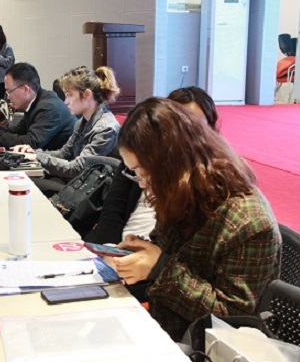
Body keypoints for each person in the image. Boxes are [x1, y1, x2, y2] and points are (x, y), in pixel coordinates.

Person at [110, 97, 280, 341]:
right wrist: (142, 252)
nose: (143, 184)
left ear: (172, 164)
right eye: (136, 174)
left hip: (204, 350)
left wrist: (159, 268)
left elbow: (232, 318)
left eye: (144, 173)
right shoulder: (182, 191)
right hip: (166, 329)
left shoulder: (248, 222)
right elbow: (170, 251)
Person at [85, 86, 220, 245]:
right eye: (177, 127)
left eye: (193, 127)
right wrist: (108, 249)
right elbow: (113, 209)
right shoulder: (140, 157)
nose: (185, 136)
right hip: (122, 246)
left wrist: (153, 257)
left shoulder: (205, 179)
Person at [14, 66, 121, 196]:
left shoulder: (106, 129)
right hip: (79, 184)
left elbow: (78, 169)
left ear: (87, 95)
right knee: (26, 179)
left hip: (92, 193)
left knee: (28, 184)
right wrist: (34, 153)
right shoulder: (82, 122)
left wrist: (37, 157)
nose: (65, 102)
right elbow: (64, 154)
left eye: (69, 95)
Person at [0, 62, 75, 150]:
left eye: (9, 91)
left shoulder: (48, 107)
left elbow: (31, 143)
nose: (8, 97)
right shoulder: (35, 102)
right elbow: (17, 131)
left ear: (25, 89)